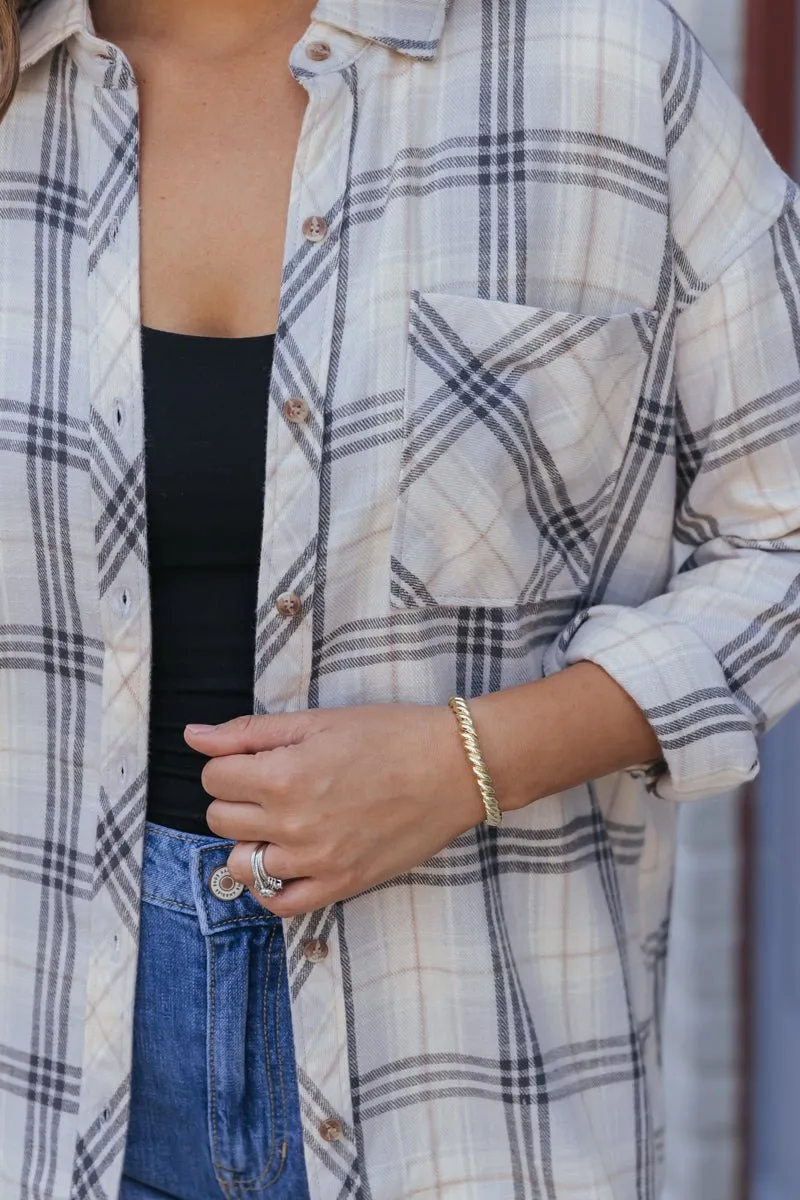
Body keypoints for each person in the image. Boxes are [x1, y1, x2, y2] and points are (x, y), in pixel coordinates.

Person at [1, 0, 799, 1196]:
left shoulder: (602, 71)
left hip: (461, 1087)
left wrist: (472, 761)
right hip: (37, 1074)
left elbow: (780, 534)